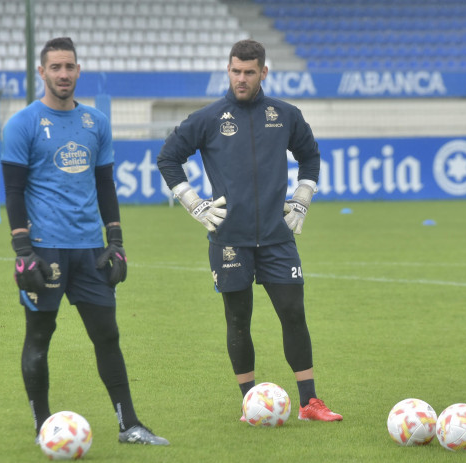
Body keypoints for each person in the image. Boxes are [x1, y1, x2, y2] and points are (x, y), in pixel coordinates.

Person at [157, 39, 342, 422]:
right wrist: (194, 203)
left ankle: (310, 403)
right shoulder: (207, 118)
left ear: (263, 73)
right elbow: (168, 158)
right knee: (238, 318)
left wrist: (303, 196)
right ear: (228, 70)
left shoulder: (284, 114)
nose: (241, 79)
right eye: (235, 71)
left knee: (293, 313)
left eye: (249, 72)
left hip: (277, 236)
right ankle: (250, 403)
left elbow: (309, 154)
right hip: (229, 239)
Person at [1, 37, 169, 446]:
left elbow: (105, 183)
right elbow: (14, 190)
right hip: (45, 249)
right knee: (39, 337)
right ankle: (44, 428)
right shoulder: (22, 124)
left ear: (78, 70)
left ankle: (129, 425)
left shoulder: (96, 122)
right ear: (41, 72)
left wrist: (116, 240)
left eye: (69, 66)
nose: (63, 74)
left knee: (108, 336)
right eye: (55, 67)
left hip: (90, 250)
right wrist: (23, 250)